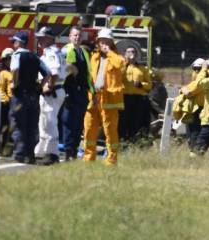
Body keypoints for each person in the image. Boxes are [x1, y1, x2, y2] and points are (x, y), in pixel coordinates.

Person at [81, 28, 127, 166]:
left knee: (110, 130)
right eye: (101, 41)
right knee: (89, 128)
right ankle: (89, 157)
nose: (104, 44)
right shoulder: (94, 56)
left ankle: (111, 160)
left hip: (109, 99)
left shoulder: (117, 57)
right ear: (98, 42)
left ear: (112, 43)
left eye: (107, 41)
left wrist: (109, 52)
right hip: (93, 97)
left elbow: (120, 64)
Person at [8, 31, 49, 164]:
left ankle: (19, 153)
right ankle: (30, 155)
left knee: (18, 123)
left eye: (14, 41)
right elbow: (48, 73)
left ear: (20, 42)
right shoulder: (35, 57)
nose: (13, 44)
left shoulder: (17, 55)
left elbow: (15, 69)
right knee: (31, 125)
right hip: (33, 95)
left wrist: (14, 83)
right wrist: (39, 86)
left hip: (20, 95)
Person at [34, 27, 67, 164]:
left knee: (49, 122)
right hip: (56, 90)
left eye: (42, 37)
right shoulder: (57, 51)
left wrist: (49, 86)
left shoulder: (50, 52)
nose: (39, 40)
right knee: (44, 121)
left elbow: (54, 72)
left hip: (52, 92)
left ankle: (52, 154)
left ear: (49, 38)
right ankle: (41, 151)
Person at [58, 26, 90, 160]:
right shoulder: (66, 50)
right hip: (69, 90)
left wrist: (91, 91)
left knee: (78, 123)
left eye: (79, 35)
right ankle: (68, 151)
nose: (77, 38)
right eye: (74, 35)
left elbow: (89, 74)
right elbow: (62, 70)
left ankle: (74, 150)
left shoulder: (84, 52)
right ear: (70, 37)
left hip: (82, 92)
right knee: (68, 122)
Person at [172, 58, 207, 150]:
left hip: (199, 109)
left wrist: (183, 89)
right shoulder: (197, 81)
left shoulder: (203, 79)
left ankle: (195, 152)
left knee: (195, 133)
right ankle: (194, 150)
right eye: (194, 68)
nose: (196, 71)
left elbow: (190, 91)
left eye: (198, 69)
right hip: (193, 109)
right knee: (191, 133)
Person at [119, 45, 153, 141]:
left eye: (133, 52)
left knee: (136, 120)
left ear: (137, 54)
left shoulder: (142, 68)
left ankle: (134, 139)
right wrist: (125, 63)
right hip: (124, 97)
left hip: (138, 98)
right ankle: (122, 139)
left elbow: (150, 85)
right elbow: (117, 79)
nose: (131, 54)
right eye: (129, 52)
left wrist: (141, 85)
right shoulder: (122, 67)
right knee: (123, 120)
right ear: (125, 54)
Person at [0, 47, 15, 156]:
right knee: (2, 126)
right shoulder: (3, 73)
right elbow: (0, 88)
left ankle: (7, 149)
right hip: (6, 103)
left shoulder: (16, 71)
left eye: (10, 59)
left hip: (15, 102)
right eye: (6, 59)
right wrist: (5, 100)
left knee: (10, 127)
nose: (8, 61)